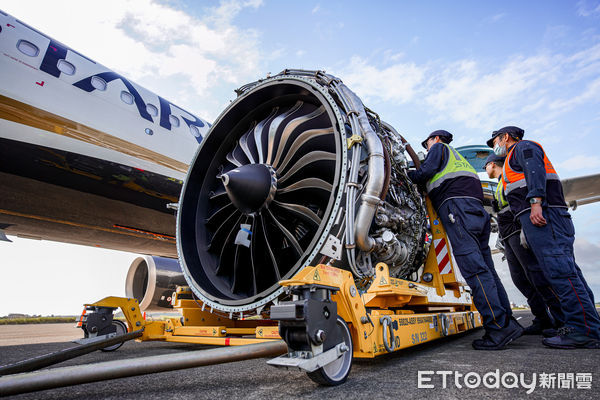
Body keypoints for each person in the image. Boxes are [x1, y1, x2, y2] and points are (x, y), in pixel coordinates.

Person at [408, 130, 522, 350]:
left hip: (456, 210)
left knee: (475, 272)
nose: (426, 147)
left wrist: (409, 176)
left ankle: (498, 329)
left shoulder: (439, 149)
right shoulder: (459, 160)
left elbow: (426, 172)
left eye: (427, 142)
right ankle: (507, 322)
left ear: (436, 139)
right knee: (487, 271)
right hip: (475, 212)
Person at [488, 126, 600, 349]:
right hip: (536, 218)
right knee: (565, 271)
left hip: (543, 216)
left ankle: (583, 330)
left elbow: (535, 173)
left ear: (506, 137)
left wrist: (536, 202)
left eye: (494, 143)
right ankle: (587, 326)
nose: (494, 148)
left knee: (560, 272)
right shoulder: (512, 159)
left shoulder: (524, 147)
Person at [484, 154, 564, 336]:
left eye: (485, 166)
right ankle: (542, 319)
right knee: (519, 278)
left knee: (535, 275)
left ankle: (561, 320)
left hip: (516, 230)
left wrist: (523, 230)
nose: (485, 169)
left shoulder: (508, 179)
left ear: (492, 164)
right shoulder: (499, 183)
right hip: (507, 234)